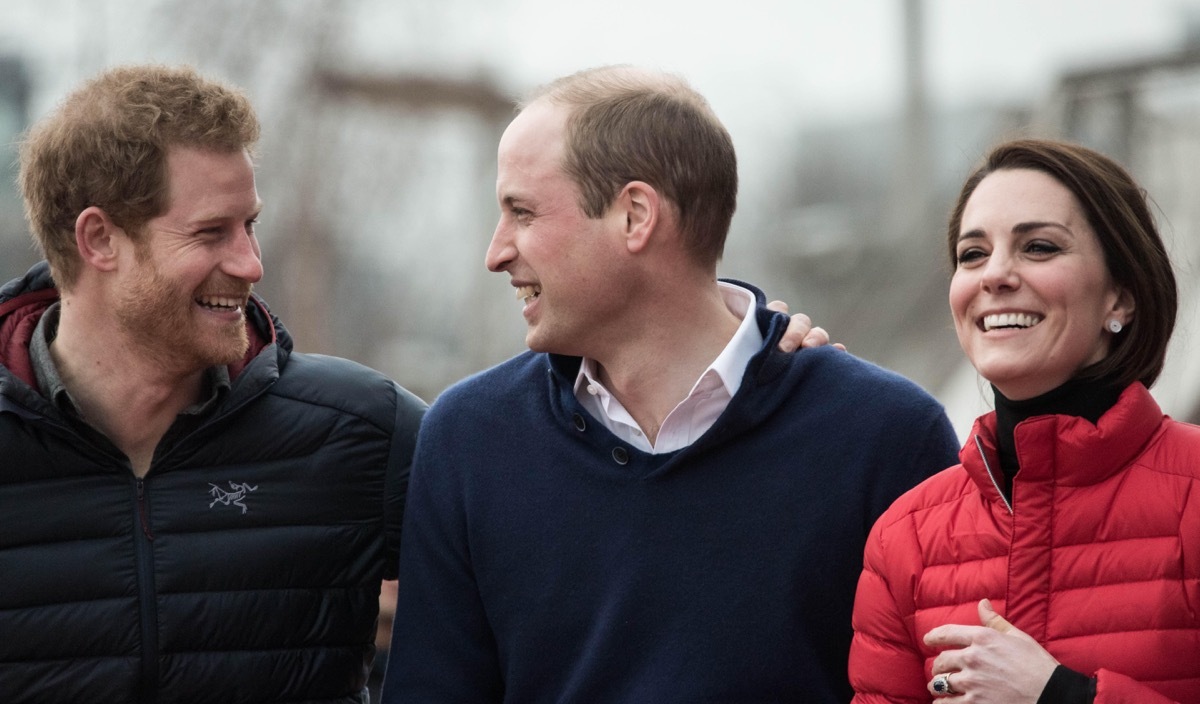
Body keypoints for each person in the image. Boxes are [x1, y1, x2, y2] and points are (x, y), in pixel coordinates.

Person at [383, 65, 960, 703]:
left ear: (635, 216)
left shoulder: (886, 437)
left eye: (522, 212)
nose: (496, 253)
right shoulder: (468, 441)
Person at [0, 64, 428, 703]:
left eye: (249, 224)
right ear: (99, 239)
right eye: (211, 232)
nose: (251, 264)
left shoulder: (361, 432)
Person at [848, 138, 1200, 703]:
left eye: (1038, 247)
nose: (995, 275)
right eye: (972, 254)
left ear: (1121, 296)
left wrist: (1059, 695)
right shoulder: (902, 539)